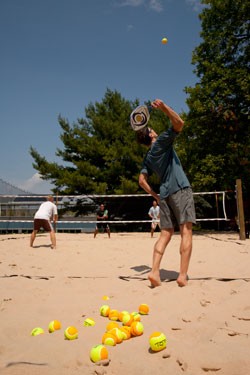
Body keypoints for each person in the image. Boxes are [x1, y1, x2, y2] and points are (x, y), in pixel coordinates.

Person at [137, 99, 196, 287]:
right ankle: (182, 275)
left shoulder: (148, 157)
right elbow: (179, 123)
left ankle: (154, 272)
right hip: (180, 188)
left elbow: (141, 181)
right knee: (186, 231)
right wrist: (163, 108)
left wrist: (155, 195)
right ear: (151, 134)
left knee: (165, 234)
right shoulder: (161, 142)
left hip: (164, 194)